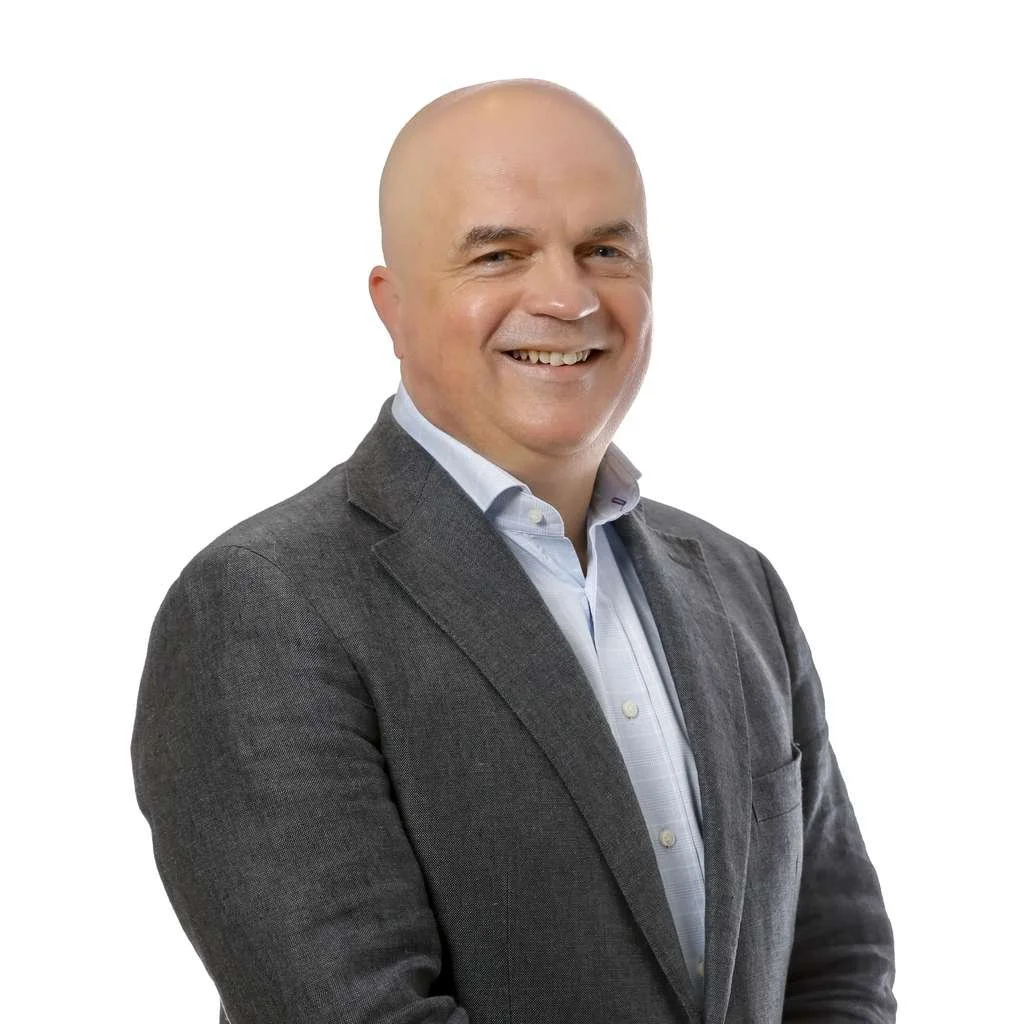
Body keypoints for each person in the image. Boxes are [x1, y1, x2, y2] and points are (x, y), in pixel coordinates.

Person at [132, 79, 896, 1024]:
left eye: (605, 250)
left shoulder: (739, 588)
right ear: (393, 305)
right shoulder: (264, 609)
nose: (569, 299)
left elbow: (838, 968)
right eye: (499, 254)